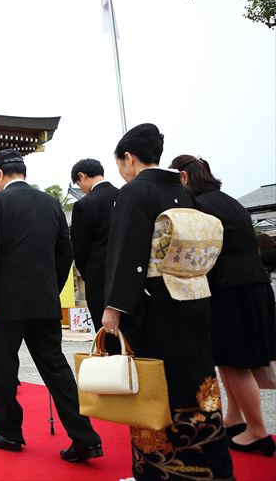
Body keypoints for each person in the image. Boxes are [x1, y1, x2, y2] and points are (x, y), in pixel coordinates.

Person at [101, 125, 233, 479]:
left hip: (155, 305)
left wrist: (114, 307)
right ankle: (210, 464)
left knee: (155, 389)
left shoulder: (134, 193)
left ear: (129, 158)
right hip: (193, 299)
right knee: (196, 381)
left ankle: (160, 470)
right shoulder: (184, 191)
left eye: (120, 164)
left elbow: (127, 252)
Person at [0, 149, 102, 462]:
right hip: (44, 300)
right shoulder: (50, 203)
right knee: (56, 368)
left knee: (3, 368)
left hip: (6, 304)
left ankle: (8, 432)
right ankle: (85, 437)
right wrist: (51, 287)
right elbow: (65, 251)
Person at [171, 154, 276, 456]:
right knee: (229, 360)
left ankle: (257, 431)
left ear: (184, 178)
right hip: (253, 286)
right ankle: (235, 417)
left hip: (231, 290)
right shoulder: (230, 202)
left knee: (236, 362)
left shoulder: (199, 207)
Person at [69, 158, 119, 353]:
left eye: (79, 184)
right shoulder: (124, 195)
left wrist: (87, 271)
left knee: (106, 333)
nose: (81, 188)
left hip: (99, 276)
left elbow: (79, 249)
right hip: (128, 276)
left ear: (82, 176)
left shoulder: (84, 204)